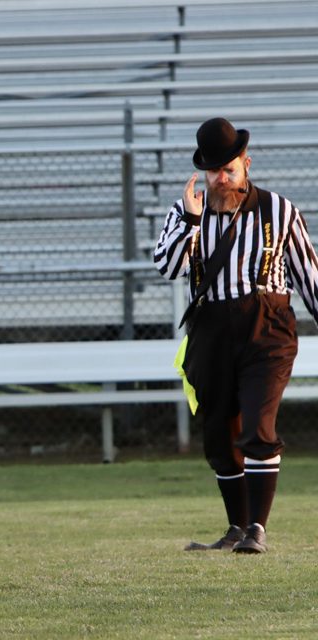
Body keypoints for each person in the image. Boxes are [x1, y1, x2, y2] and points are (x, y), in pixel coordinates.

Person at [154, 117, 318, 554]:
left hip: (268, 328)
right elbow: (167, 268)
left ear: (246, 164)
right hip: (211, 330)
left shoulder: (280, 211)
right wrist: (189, 222)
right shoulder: (185, 209)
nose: (221, 179)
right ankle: (236, 527)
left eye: (229, 169)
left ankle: (258, 529)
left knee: (258, 426)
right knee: (219, 434)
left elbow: (309, 278)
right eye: (213, 171)